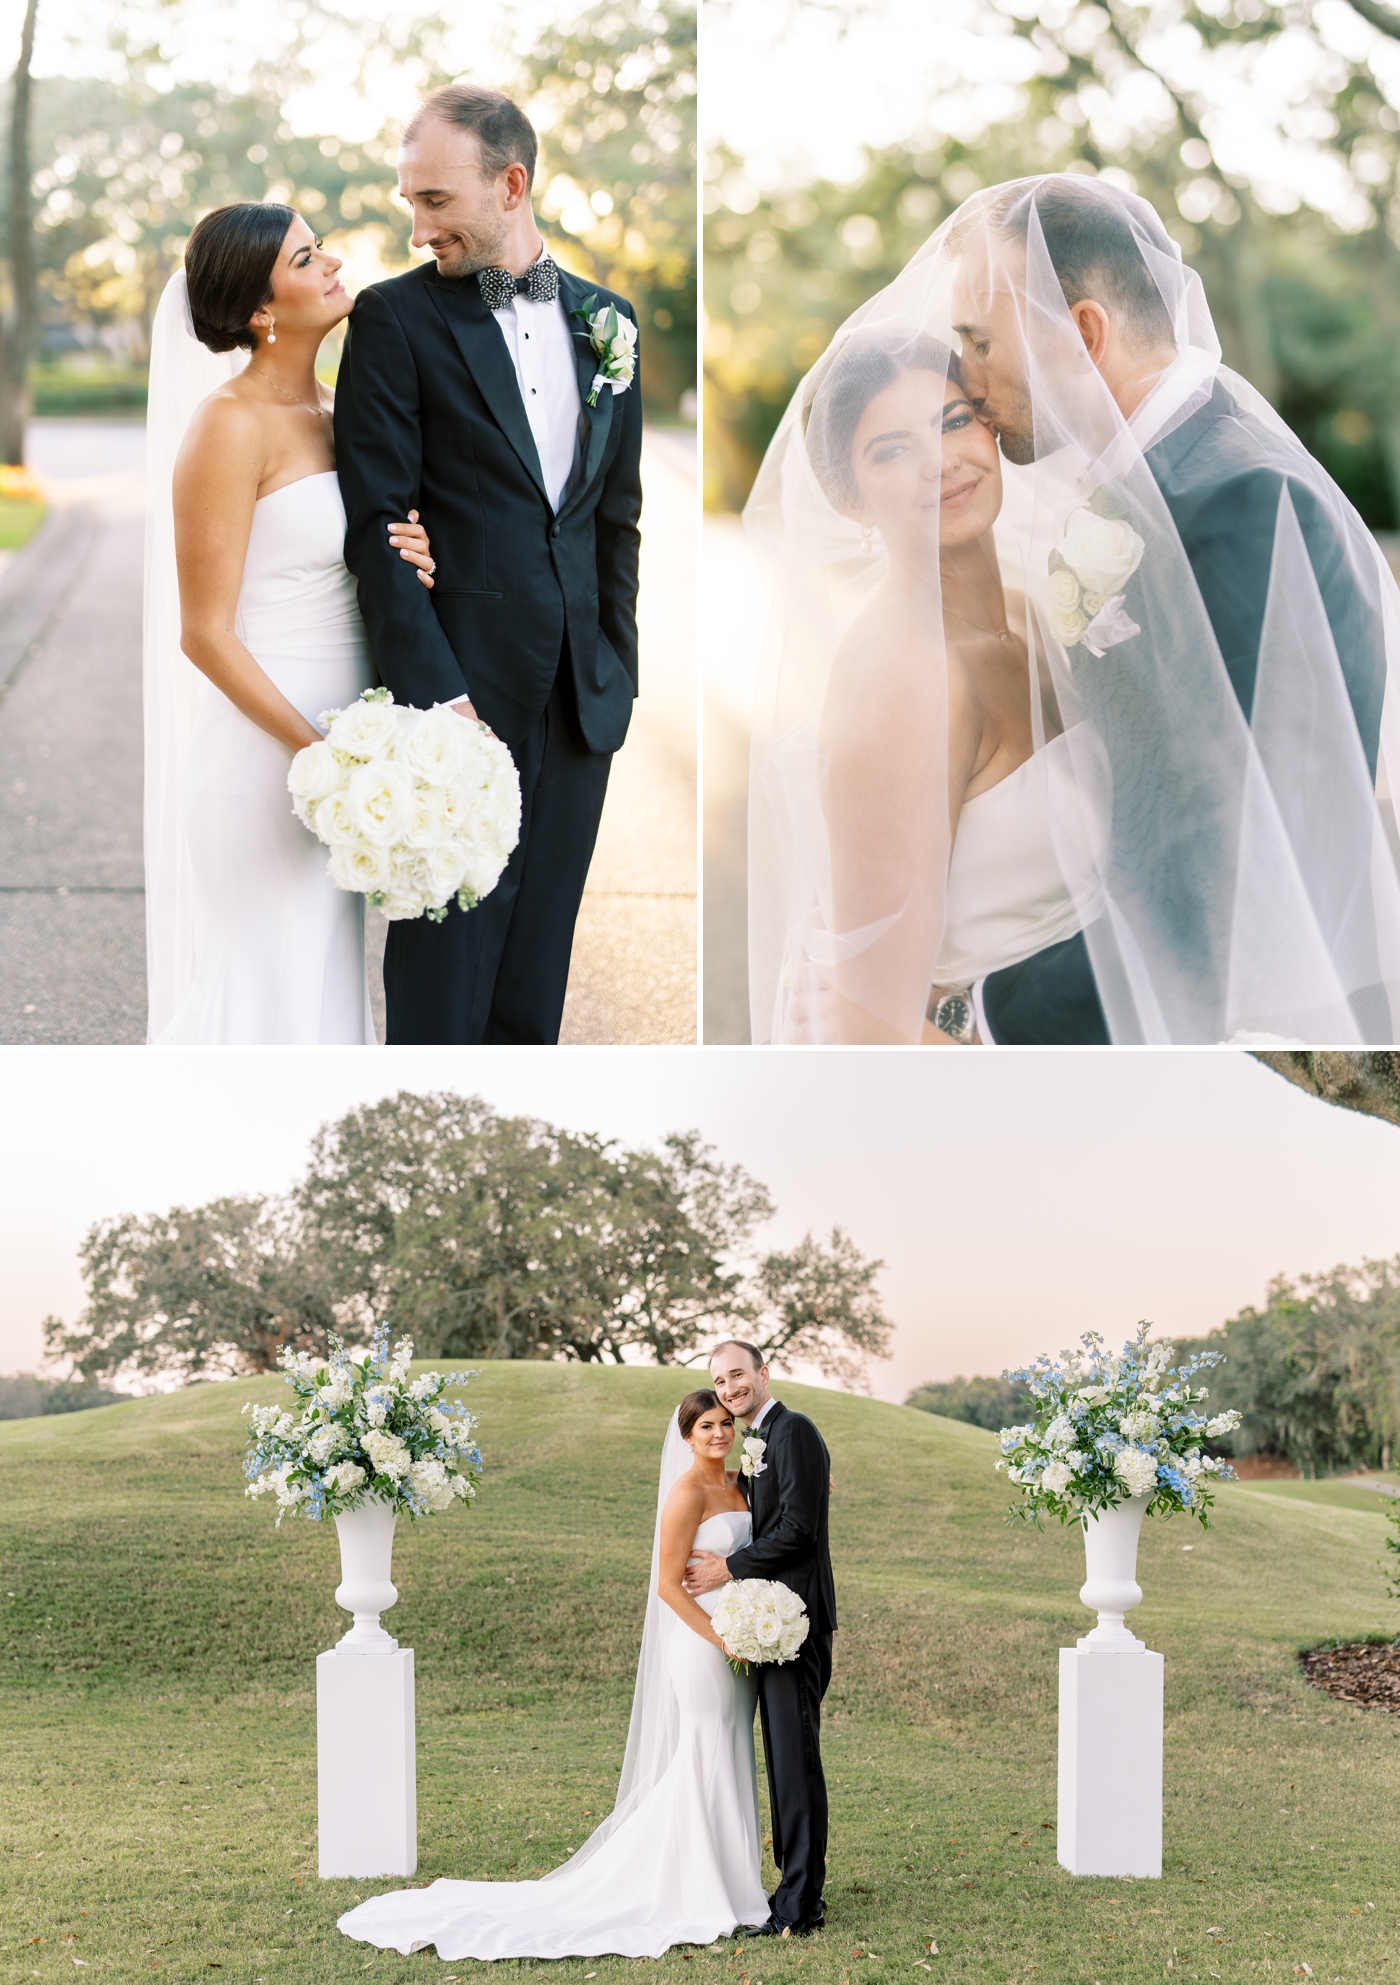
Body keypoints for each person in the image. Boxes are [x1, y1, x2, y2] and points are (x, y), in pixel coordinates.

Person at [745, 171, 1400, 1046]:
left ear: (1084, 335)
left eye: (979, 345)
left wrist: (983, 1029)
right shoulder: (1146, 498)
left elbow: (1234, 865)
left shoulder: (1234, 505)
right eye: (893, 448)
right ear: (850, 497)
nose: (972, 383)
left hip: (1231, 1035)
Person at [334, 84, 644, 1045]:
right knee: (442, 988)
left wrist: (618, 673)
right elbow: (377, 527)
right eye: (409, 200)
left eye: (435, 201)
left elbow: (617, 518)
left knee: (534, 988)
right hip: (461, 706)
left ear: (512, 184)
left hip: (580, 707)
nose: (418, 225)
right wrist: (436, 699)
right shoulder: (393, 321)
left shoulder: (610, 324)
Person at [337, 1390, 770, 1960]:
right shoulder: (686, 1492)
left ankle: (738, 1885)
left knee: (730, 1749)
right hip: (704, 1644)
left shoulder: (741, 1481)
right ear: (686, 1437)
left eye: (724, 1424)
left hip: (738, 1639)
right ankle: (700, 1889)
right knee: (705, 1749)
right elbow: (667, 1585)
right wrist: (719, 1638)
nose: (719, 1434)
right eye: (706, 1426)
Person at [143, 203, 436, 1044]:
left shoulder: (342, 410)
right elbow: (204, 631)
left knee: (321, 995)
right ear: (261, 311)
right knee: (268, 997)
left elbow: (359, 560)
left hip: (352, 759)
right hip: (268, 758)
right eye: (306, 259)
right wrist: (320, 755)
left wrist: (411, 549)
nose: (334, 264)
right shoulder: (228, 426)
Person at [685, 1341, 836, 1938]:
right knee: (783, 1760)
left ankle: (801, 1907)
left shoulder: (792, 1429)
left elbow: (799, 1531)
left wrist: (728, 1569)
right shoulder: (758, 1444)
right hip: (769, 1625)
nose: (729, 1388)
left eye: (738, 1375)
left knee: (795, 1762)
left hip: (795, 1622)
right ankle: (790, 1891)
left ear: (763, 1374)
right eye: (720, 1381)